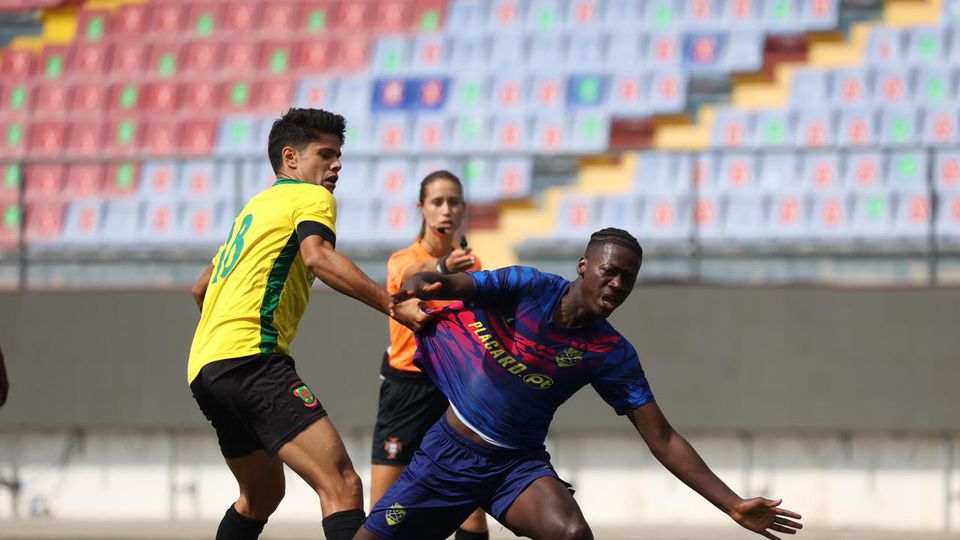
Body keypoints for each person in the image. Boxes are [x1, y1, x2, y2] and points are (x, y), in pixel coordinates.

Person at [357, 228, 803, 540]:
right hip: (449, 456)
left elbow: (663, 438)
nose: (618, 284)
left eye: (628, 279)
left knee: (571, 533)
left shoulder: (611, 352)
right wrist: (422, 283)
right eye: (610, 272)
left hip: (516, 467)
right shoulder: (528, 287)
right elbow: (451, 283)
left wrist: (731, 504)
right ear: (584, 266)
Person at [187, 108, 426, 540]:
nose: (336, 165)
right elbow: (318, 255)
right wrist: (394, 306)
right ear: (291, 158)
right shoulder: (312, 197)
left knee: (259, 497)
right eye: (326, 154)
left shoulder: (256, 208)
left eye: (339, 156)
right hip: (252, 360)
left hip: (206, 369)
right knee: (342, 485)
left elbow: (201, 289)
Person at [369, 170, 488, 540]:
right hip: (407, 388)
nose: (446, 210)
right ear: (421, 207)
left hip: (454, 387)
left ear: (463, 208)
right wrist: (443, 269)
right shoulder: (403, 260)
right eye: (437, 202)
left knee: (470, 507)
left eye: (453, 201)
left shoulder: (473, 265)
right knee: (384, 508)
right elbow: (410, 279)